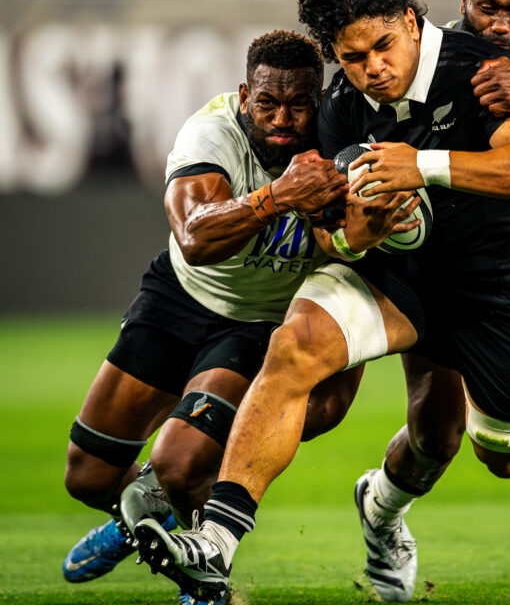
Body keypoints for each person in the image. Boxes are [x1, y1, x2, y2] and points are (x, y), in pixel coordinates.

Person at [133, 0, 510, 605]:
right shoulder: (338, 108)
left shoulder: (480, 72)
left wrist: (424, 165)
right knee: (295, 346)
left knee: (501, 451)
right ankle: (216, 540)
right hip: (405, 275)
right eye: (353, 58)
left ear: (412, 22)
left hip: (505, 286)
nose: (373, 69)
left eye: (383, 46)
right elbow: (332, 236)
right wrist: (363, 232)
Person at [61, 30, 361, 602]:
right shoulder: (210, 132)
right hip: (182, 294)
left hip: (260, 321)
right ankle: (143, 520)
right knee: (89, 475)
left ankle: (204, 581)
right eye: (267, 103)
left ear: (317, 101)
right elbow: (195, 237)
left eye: (299, 105)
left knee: (179, 465)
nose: (282, 118)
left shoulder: (339, 138)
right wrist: (279, 197)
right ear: (245, 95)